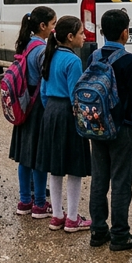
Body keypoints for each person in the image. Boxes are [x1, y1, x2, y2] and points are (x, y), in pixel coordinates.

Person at [88, 9, 132, 251]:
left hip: (96, 125)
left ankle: (98, 230)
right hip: (120, 127)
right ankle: (120, 234)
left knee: (99, 178)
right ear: (125, 33)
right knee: (121, 181)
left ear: (101, 31)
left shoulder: (94, 56)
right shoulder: (128, 60)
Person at [34, 16, 92, 233]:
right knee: (74, 166)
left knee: (55, 166)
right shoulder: (74, 61)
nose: (84, 38)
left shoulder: (50, 55)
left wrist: (51, 109)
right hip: (68, 113)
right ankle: (73, 218)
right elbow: (75, 95)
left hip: (50, 112)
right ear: (70, 37)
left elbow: (43, 92)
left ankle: (57, 215)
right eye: (81, 34)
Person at [8, 7, 57, 218]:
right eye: (53, 24)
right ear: (42, 26)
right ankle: (39, 203)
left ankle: (24, 201)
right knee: (39, 157)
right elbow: (46, 82)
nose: (54, 29)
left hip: (24, 103)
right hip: (38, 106)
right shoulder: (41, 50)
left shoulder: (27, 44)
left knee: (25, 157)